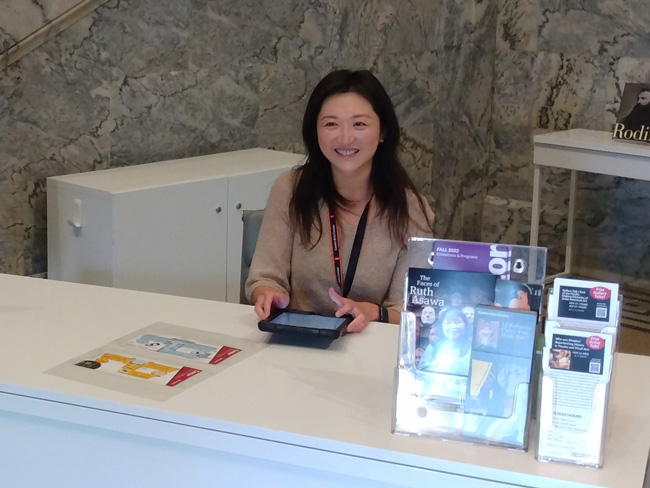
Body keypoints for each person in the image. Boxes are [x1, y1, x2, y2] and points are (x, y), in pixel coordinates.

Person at [245, 70, 434, 333]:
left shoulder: (412, 209)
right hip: (297, 343)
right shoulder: (290, 189)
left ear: (383, 132)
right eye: (331, 124)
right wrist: (268, 294)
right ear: (316, 132)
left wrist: (374, 312)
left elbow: (412, 311)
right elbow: (265, 278)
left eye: (359, 124)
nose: (345, 138)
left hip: (369, 348)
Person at [418, 307, 471, 375]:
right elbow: (422, 367)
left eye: (457, 322)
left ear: (465, 324)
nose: (452, 326)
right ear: (442, 326)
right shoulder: (434, 345)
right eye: (448, 323)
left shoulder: (471, 348)